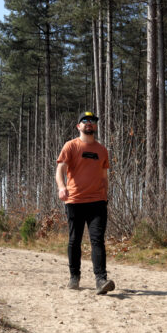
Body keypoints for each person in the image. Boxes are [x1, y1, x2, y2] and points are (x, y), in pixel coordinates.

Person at [55, 111, 115, 294]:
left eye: (93, 121)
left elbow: (104, 176)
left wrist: (105, 195)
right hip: (75, 201)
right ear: (78, 126)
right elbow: (60, 170)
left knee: (97, 240)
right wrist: (61, 187)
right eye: (85, 121)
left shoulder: (102, 150)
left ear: (95, 126)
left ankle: (101, 280)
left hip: (97, 202)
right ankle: (74, 277)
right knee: (75, 240)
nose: (89, 124)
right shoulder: (71, 146)